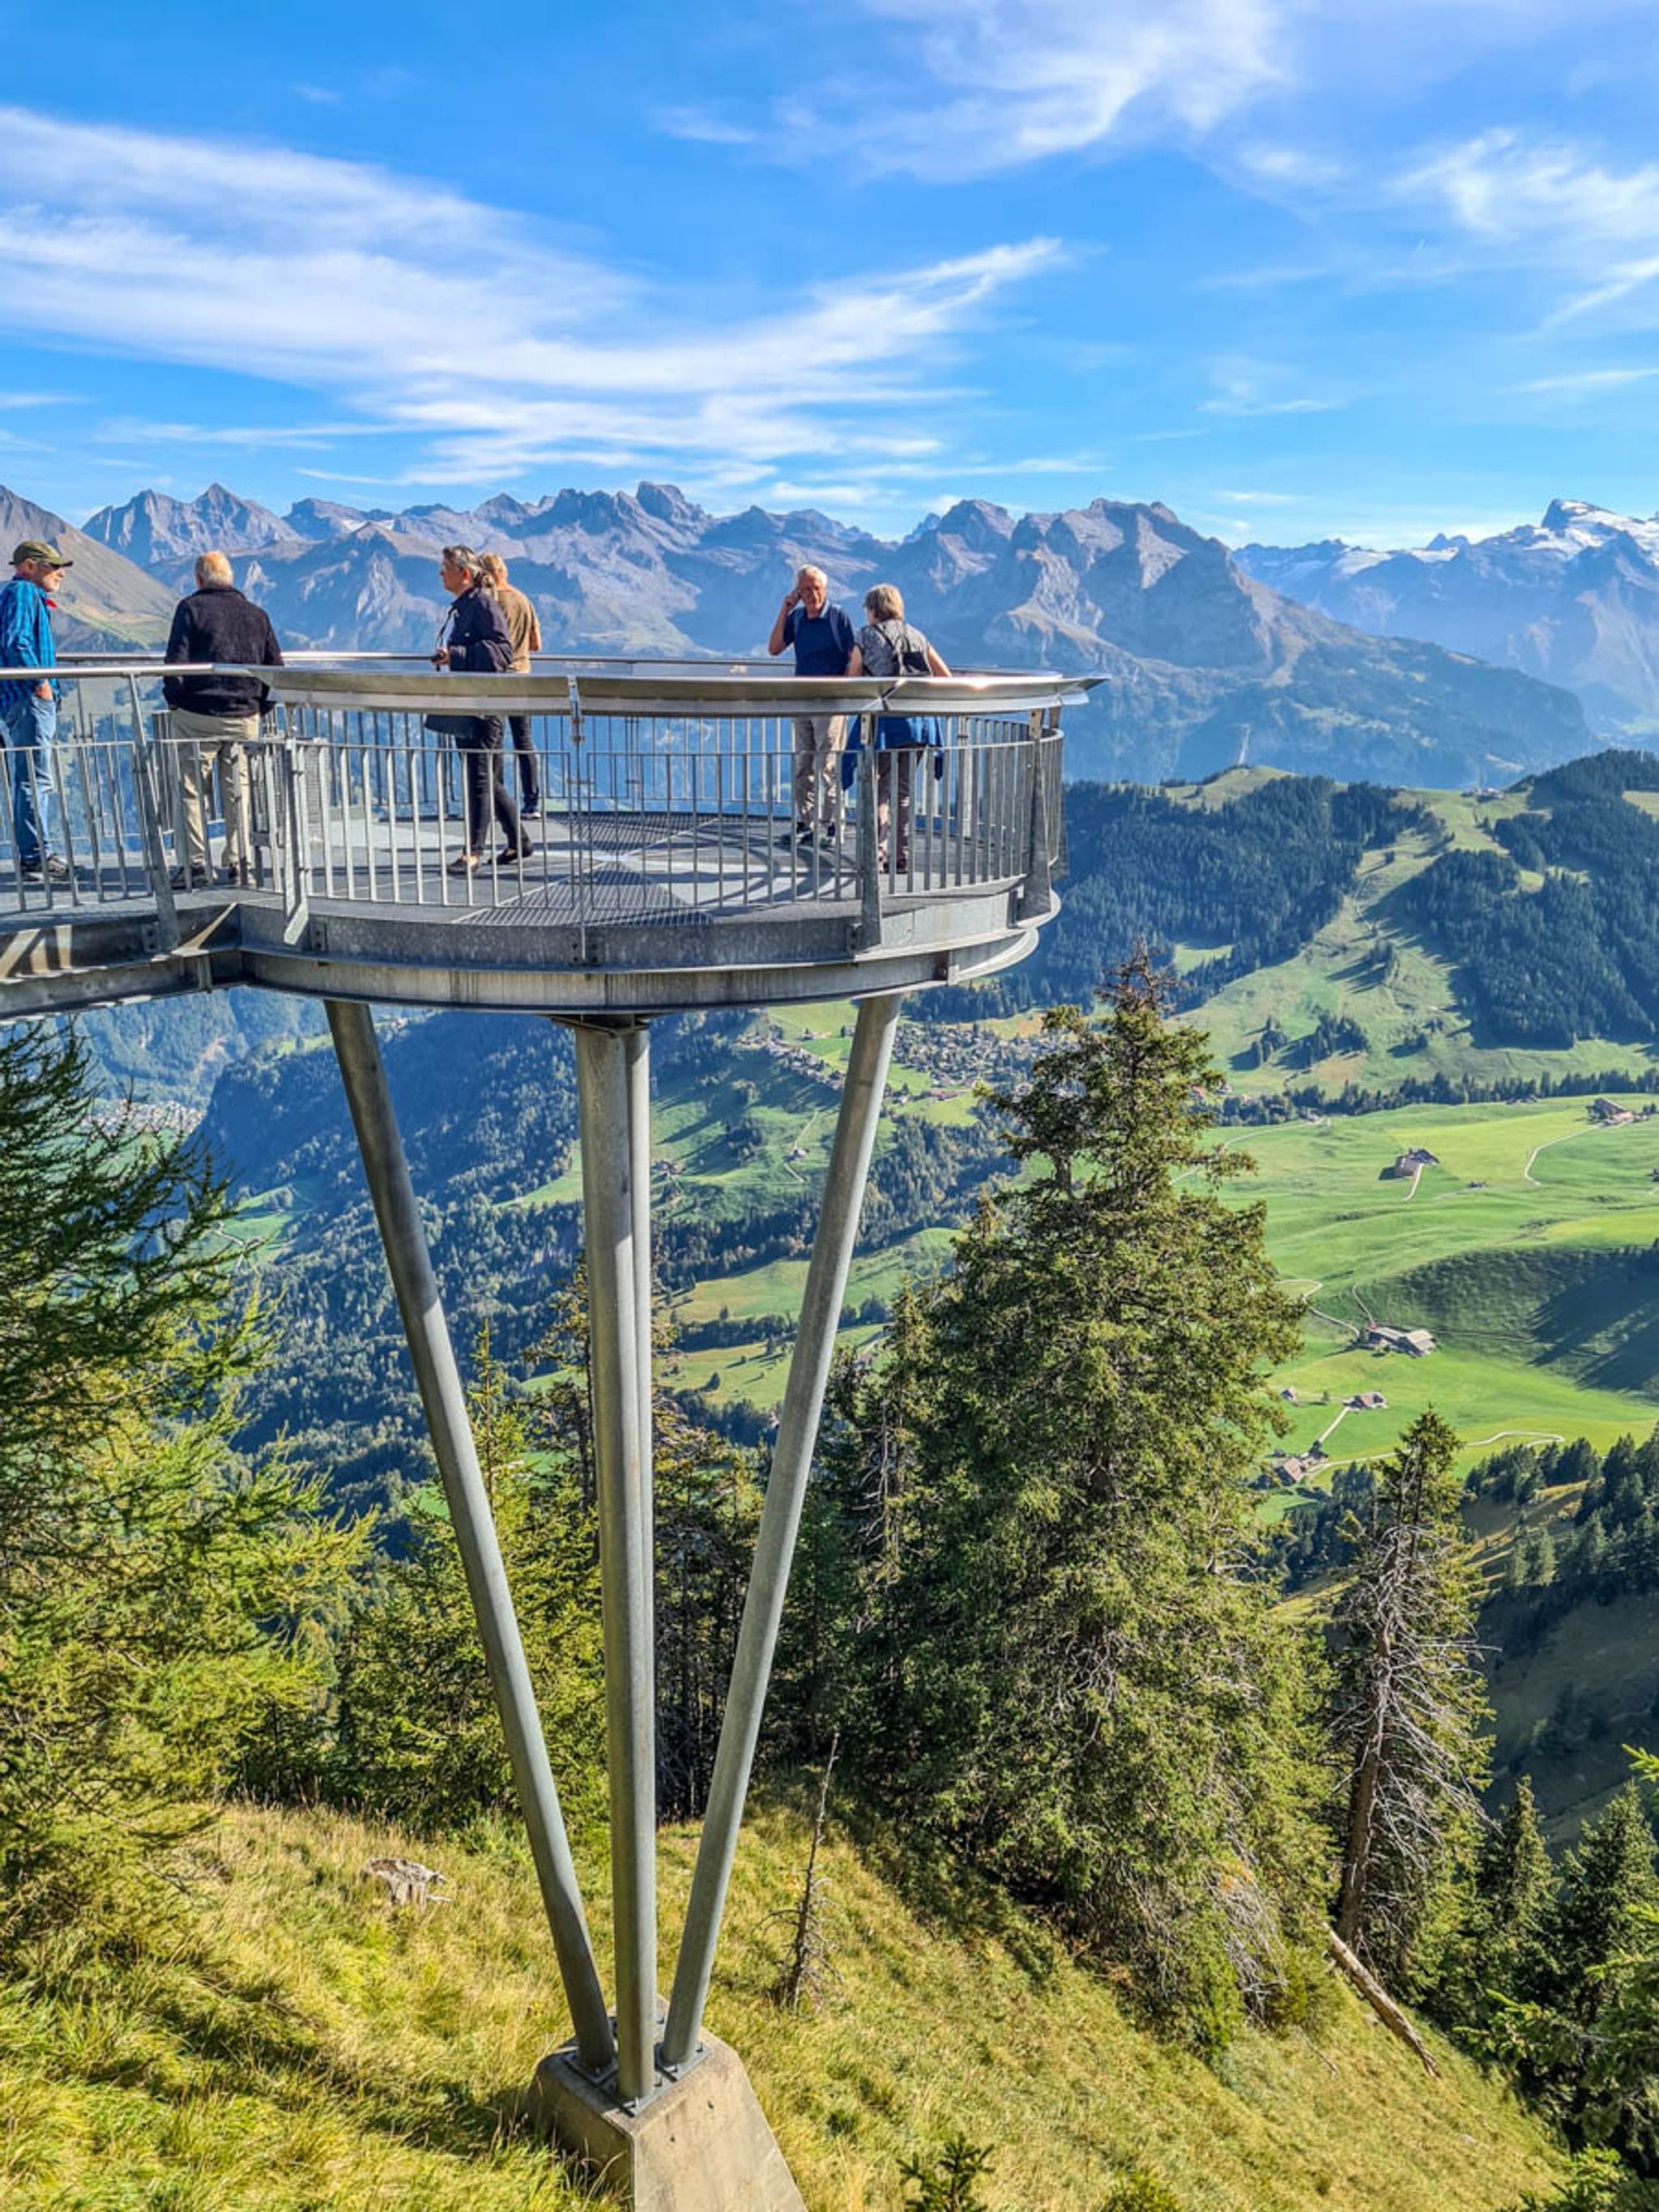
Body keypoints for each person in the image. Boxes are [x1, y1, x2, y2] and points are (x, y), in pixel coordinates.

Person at [163, 551, 284, 888]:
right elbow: (276, 669)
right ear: (231, 579)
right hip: (243, 715)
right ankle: (239, 863)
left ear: (199, 580)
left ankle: (195, 865)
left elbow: (175, 663)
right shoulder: (256, 615)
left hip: (196, 715)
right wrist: (258, 706)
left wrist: (176, 702)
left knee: (190, 790)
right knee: (238, 790)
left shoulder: (190, 609)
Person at [433, 545, 526, 873]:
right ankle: (519, 840)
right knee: (488, 778)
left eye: (445, 567)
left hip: (484, 707)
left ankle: (473, 852)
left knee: (479, 777)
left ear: (464, 574)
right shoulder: (464, 607)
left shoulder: (483, 604)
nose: (441, 573)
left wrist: (456, 655)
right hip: (470, 703)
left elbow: (502, 651)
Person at [846, 583, 950, 872]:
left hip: (883, 725)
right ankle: (901, 857)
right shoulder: (916, 634)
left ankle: (876, 856)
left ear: (873, 609)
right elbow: (945, 675)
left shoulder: (865, 636)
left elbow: (852, 678)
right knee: (903, 791)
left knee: (879, 789)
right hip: (919, 723)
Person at [766, 564, 855, 847]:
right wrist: (785, 608)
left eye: (816, 588)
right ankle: (805, 822)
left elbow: (854, 655)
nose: (811, 594)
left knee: (828, 764)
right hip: (802, 699)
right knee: (803, 762)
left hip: (831, 702)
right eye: (805, 590)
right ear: (798, 592)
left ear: (825, 589)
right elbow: (774, 648)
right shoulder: (797, 619)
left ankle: (832, 824)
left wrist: (845, 690)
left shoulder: (838, 617)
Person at [0, 539, 71, 881]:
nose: (60, 573)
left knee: (33, 776)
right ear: (29, 566)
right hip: (28, 698)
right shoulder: (24, 594)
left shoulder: (23, 595)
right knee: (34, 777)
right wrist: (41, 682)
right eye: (52, 566)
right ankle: (35, 854)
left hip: (25, 698)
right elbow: (16, 641)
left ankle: (36, 852)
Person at [479, 552, 544, 814]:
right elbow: (536, 644)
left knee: (495, 742)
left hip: (496, 678)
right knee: (524, 740)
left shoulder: (489, 602)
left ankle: (500, 801)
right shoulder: (524, 600)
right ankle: (532, 801)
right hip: (521, 677)